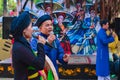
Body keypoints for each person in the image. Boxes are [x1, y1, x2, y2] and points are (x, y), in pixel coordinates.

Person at [10, 11, 46, 80]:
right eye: (31, 26)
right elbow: (39, 65)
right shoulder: (19, 48)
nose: (32, 30)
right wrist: (40, 45)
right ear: (24, 30)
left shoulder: (21, 44)